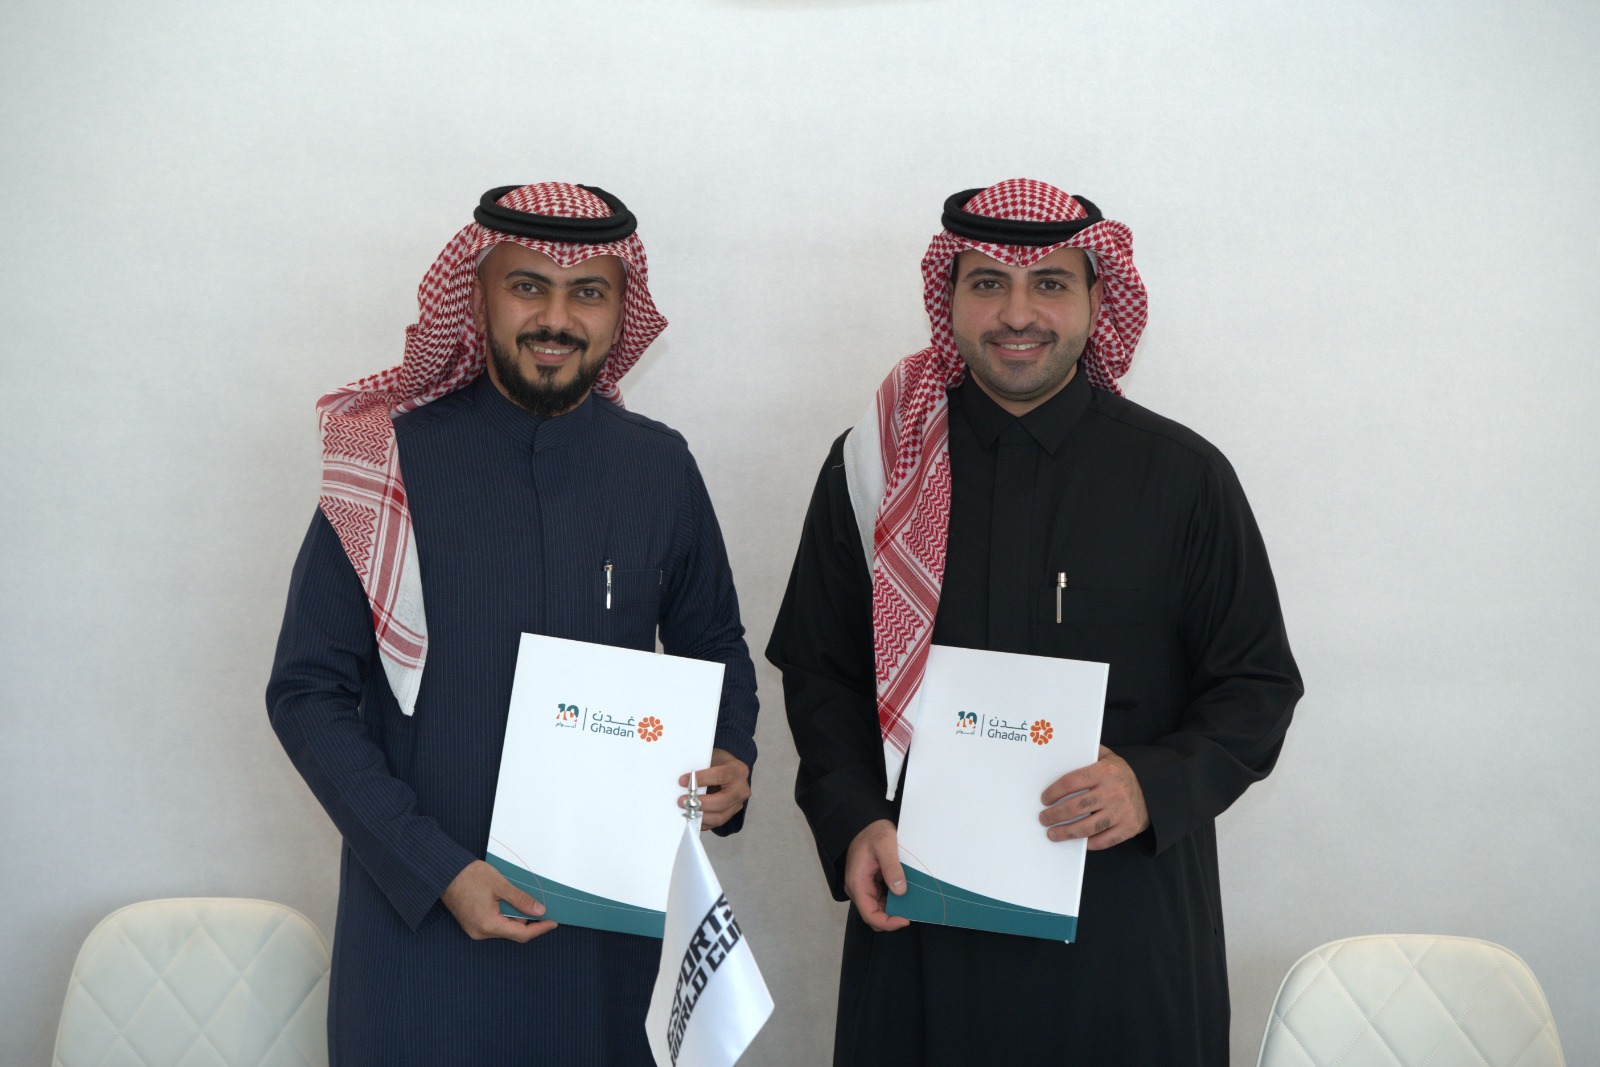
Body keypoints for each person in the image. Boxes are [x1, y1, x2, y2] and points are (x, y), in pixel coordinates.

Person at [768, 178, 1302, 1065]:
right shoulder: (879, 467)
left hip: (1123, 934)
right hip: (922, 923)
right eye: (988, 284)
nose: (1018, 314)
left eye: (1049, 283)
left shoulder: (1182, 477)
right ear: (950, 298)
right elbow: (822, 670)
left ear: (1097, 298)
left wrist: (1151, 784)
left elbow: (1257, 686)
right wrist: (854, 817)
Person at [266, 183, 758, 1065]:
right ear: (479, 296)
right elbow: (308, 691)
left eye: (587, 292)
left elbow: (714, 643)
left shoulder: (659, 468)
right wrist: (435, 868)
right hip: (421, 941)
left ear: (621, 312)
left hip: (608, 951)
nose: (556, 318)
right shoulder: (388, 464)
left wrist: (730, 753)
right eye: (528, 286)